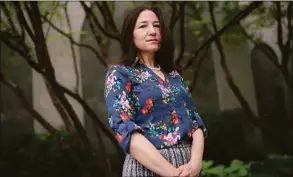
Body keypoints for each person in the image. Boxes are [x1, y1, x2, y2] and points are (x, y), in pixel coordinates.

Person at [104, 6, 208, 177]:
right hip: (147, 168)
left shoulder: (173, 75)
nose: (152, 31)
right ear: (131, 34)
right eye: (143, 26)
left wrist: (195, 164)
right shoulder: (120, 74)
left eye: (156, 25)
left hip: (188, 169)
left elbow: (196, 124)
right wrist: (172, 173)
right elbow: (125, 129)